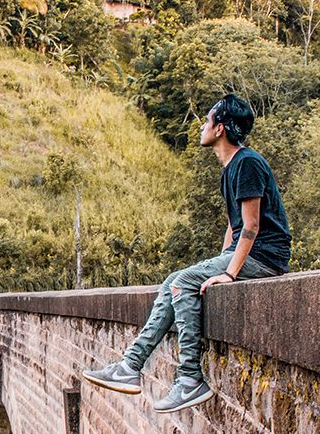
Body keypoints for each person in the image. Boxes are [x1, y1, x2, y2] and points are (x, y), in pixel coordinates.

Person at [83, 94, 291, 413]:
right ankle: (130, 366)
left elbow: (251, 226)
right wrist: (221, 262)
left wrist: (229, 273)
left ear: (220, 128)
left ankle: (190, 376)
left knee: (182, 282)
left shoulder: (247, 163)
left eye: (207, 121)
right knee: (173, 282)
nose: (202, 127)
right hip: (249, 254)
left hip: (264, 258)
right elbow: (234, 228)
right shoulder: (231, 167)